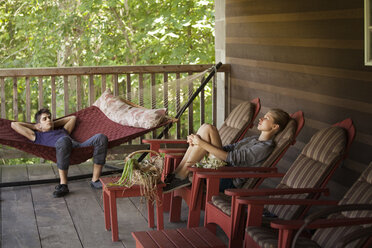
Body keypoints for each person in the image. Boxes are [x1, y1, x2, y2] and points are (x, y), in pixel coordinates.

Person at [163, 108, 290, 193]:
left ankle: (179, 176)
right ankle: (178, 175)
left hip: (226, 178)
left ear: (275, 126)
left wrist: (201, 143)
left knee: (208, 129)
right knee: (205, 129)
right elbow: (228, 149)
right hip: (221, 168)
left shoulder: (265, 147)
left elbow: (231, 158)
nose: (261, 119)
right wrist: (200, 143)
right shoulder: (253, 139)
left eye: (267, 118)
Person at [11, 108, 108, 198]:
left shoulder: (62, 131)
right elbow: (14, 125)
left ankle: (95, 180)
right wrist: (34, 126)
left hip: (78, 148)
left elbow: (72, 118)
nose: (48, 119)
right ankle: (63, 185)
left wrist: (52, 123)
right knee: (63, 140)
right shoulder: (37, 136)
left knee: (101, 138)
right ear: (39, 124)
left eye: (49, 118)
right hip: (60, 149)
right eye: (44, 119)